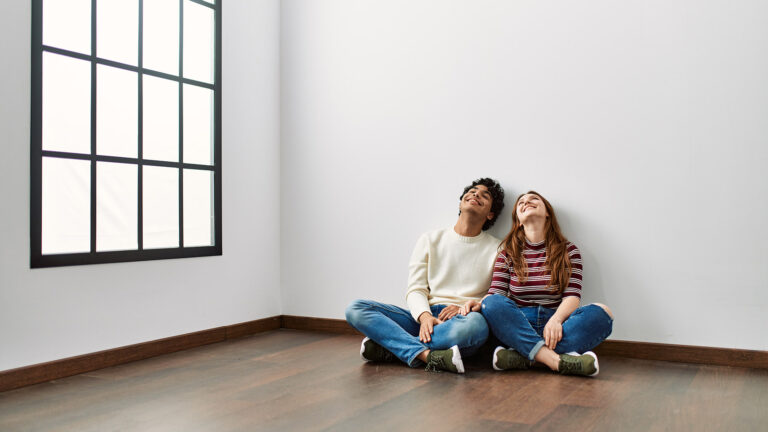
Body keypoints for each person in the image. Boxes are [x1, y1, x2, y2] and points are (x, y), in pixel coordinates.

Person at [345, 178, 505, 373]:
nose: (476, 194)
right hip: (422, 318)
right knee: (356, 308)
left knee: (476, 328)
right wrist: (425, 317)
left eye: (484, 195)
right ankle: (428, 356)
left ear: (490, 214)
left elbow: (498, 295)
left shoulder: (498, 248)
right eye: (472, 191)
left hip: (461, 320)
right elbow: (415, 289)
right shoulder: (430, 239)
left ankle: (392, 347)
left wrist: (464, 308)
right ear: (461, 202)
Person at [460, 191, 613, 377]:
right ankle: (555, 361)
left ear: (547, 212)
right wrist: (481, 304)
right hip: (518, 324)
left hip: (557, 327)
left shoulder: (569, 251)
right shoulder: (507, 253)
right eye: (521, 202)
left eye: (534, 199)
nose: (527, 202)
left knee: (603, 313)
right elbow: (496, 294)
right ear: (518, 217)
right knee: (491, 303)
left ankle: (523, 356)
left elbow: (572, 297)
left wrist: (556, 320)